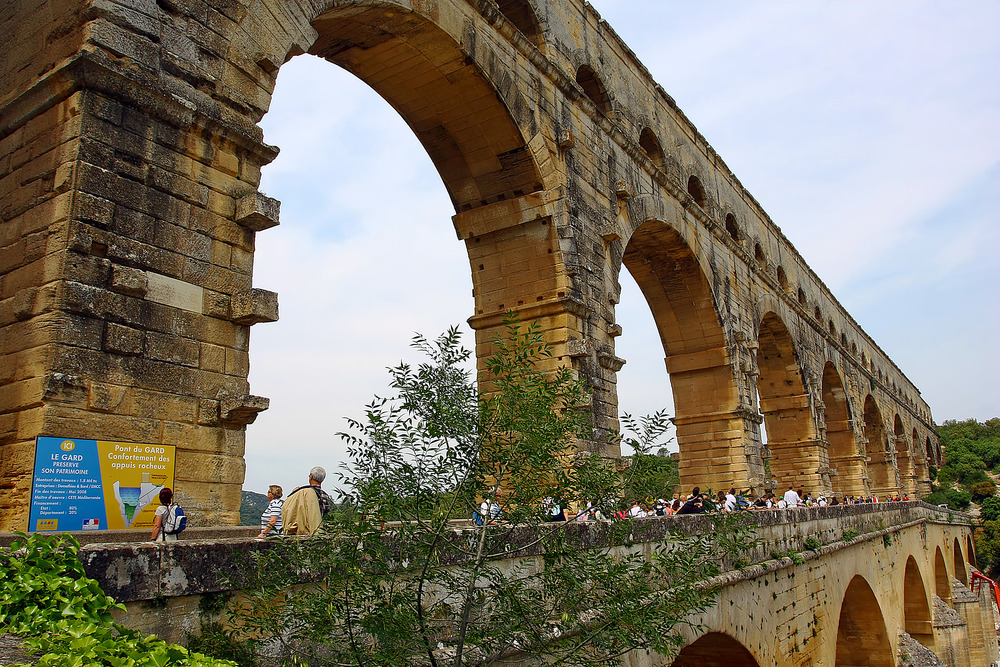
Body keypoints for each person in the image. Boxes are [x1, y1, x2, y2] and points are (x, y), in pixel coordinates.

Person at [282, 466, 333, 535]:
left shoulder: (301, 493)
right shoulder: (324, 496)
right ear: (323, 479)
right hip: (319, 534)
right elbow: (327, 514)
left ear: (311, 476)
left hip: (301, 533)